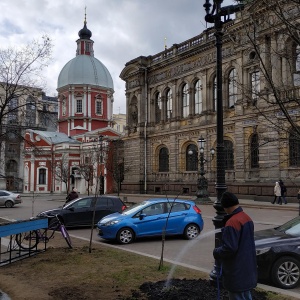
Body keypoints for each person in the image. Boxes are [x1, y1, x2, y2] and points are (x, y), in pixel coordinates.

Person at [213, 192, 257, 300]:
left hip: (236, 272)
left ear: (225, 207)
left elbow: (230, 248)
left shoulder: (232, 222)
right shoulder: (246, 218)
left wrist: (217, 252)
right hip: (247, 269)